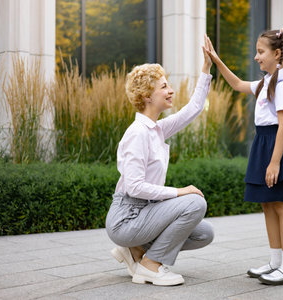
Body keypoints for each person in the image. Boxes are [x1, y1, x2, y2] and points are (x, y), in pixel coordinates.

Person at [105, 35, 214, 286]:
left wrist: (206, 69)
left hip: (144, 213)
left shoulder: (157, 129)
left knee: (204, 233)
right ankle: (150, 265)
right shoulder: (137, 133)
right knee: (194, 204)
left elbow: (193, 109)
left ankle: (135, 250)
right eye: (164, 86)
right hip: (127, 218)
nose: (171, 90)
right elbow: (133, 186)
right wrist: (179, 192)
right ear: (146, 96)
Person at [205, 29, 283, 285]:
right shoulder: (268, 81)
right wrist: (216, 59)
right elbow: (237, 84)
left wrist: (275, 161)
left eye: (261, 52)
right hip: (265, 142)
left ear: (277, 53)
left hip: (277, 146)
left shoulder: (282, 83)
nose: (256, 57)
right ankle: (276, 262)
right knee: (268, 204)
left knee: (282, 205)